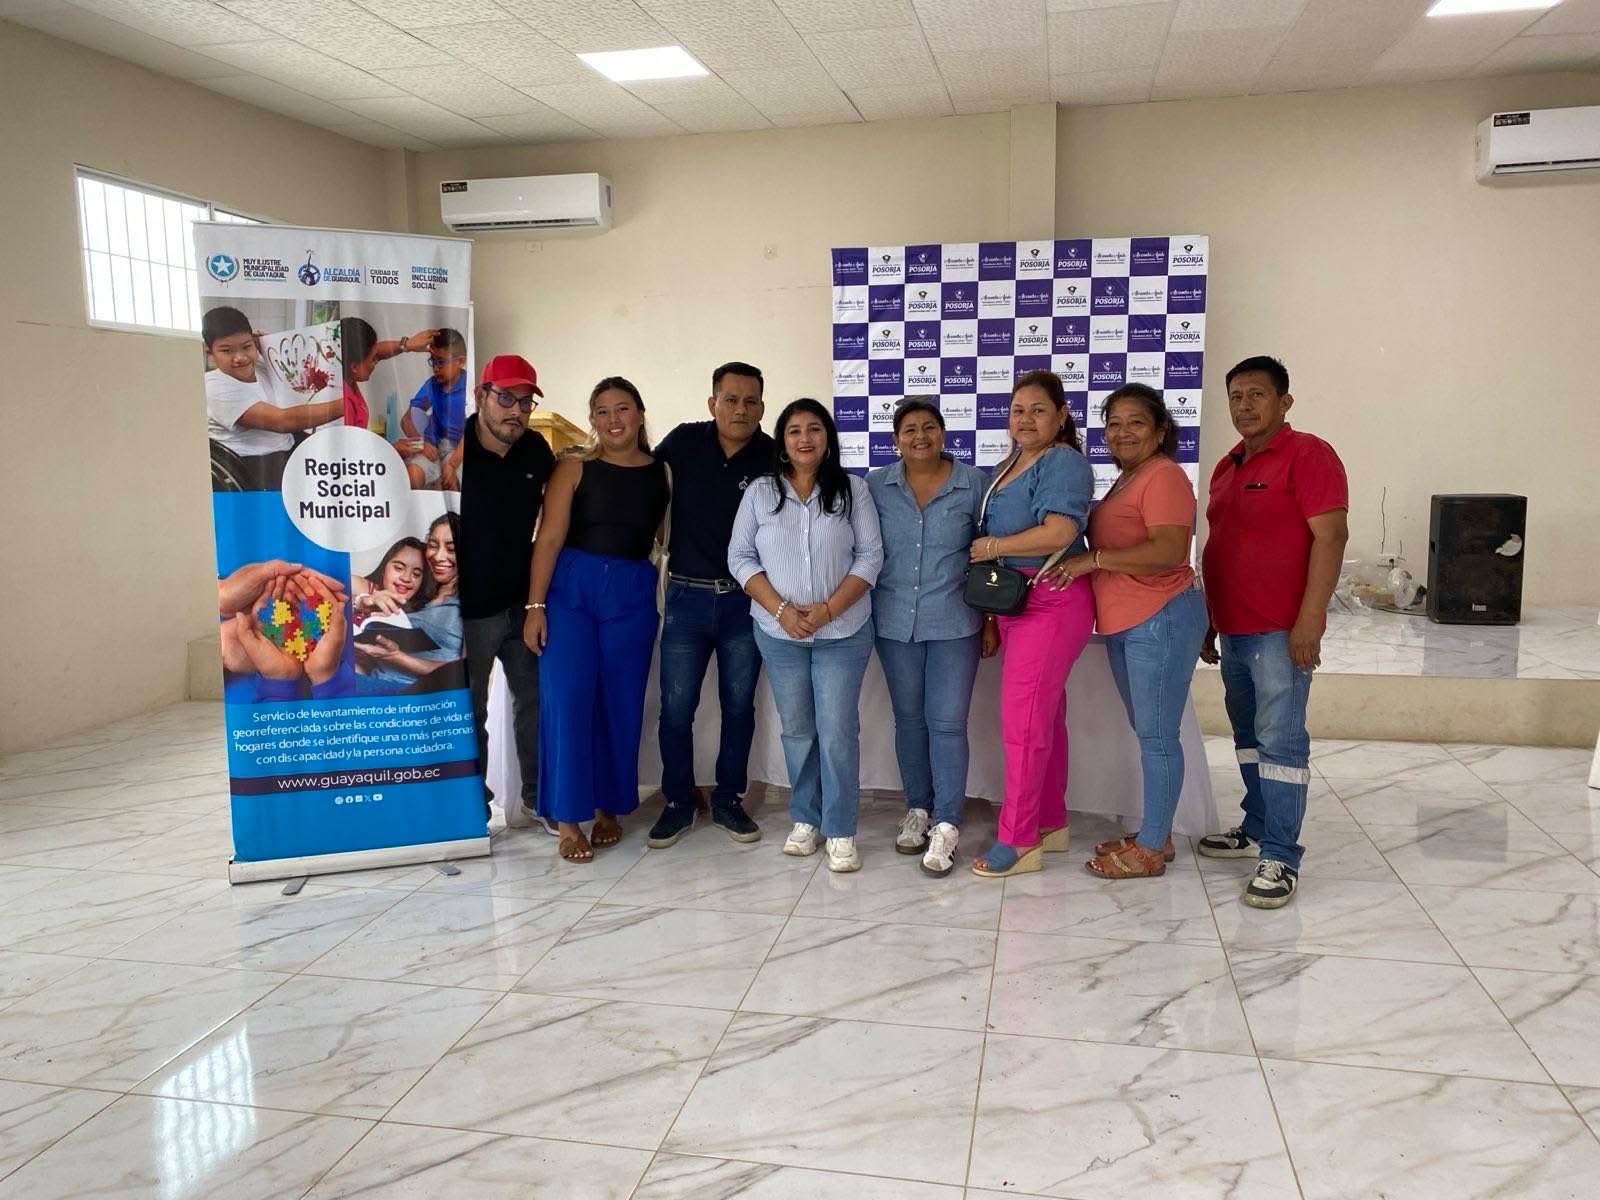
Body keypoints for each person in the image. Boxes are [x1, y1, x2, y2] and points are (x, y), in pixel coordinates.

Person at [1196, 355, 1348, 909]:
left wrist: (1310, 619)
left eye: (1257, 394)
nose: (1245, 405)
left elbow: (1331, 537)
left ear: (1284, 401)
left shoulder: (1308, 454)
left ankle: (1281, 855)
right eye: (1236, 396)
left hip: (1281, 631)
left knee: (1280, 741)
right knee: (1248, 736)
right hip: (1234, 627)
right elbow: (1222, 548)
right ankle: (1256, 825)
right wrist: (1210, 618)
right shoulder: (1227, 465)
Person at [1044, 384, 1207, 879]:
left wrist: (1093, 560)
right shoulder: (1129, 478)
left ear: (1160, 429)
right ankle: (1155, 833)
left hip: (1160, 616)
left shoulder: (1164, 475)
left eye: (1136, 422)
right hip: (1130, 620)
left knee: (1157, 737)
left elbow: (1168, 552)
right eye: (1114, 424)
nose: (1122, 432)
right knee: (1150, 732)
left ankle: (1152, 847)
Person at [728, 398, 883, 874]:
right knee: (797, 730)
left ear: (827, 439)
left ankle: (840, 828)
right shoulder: (760, 493)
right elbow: (740, 557)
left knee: (836, 731)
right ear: (782, 441)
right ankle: (805, 818)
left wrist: (828, 609)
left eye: (814, 429)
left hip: (843, 631)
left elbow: (870, 556)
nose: (804, 438)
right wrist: (781, 610)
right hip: (779, 633)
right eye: (794, 430)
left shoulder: (853, 490)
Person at [524, 377, 669, 863]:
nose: (613, 420)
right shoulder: (572, 467)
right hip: (571, 593)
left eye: (622, 408)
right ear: (592, 420)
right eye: (602, 411)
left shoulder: (663, 473)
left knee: (621, 704)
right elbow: (548, 539)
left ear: (640, 414)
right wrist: (535, 606)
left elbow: (663, 540)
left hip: (631, 592)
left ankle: (610, 809)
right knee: (567, 700)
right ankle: (568, 820)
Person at [967, 370, 1094, 878]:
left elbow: (1060, 531)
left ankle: (1018, 840)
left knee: (1023, 725)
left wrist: (994, 547)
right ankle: (1049, 821)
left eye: (1038, 410)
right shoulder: (1010, 465)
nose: (1026, 419)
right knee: (1044, 719)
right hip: (1017, 601)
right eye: (1018, 410)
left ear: (1061, 416)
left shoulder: (1063, 461)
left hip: (1051, 601)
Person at [646, 361, 774, 849]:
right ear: (712, 402)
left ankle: (727, 799)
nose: (741, 409)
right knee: (677, 709)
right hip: (686, 597)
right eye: (731, 399)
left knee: (739, 706)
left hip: (747, 602)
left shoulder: (773, 455)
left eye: (751, 401)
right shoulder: (683, 442)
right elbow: (640, 480)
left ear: (762, 407)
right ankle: (679, 802)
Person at [866, 398, 995, 877]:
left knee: (947, 724)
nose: (919, 436)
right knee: (909, 722)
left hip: (955, 622)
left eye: (928, 427)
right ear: (896, 439)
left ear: (943, 433)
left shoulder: (973, 484)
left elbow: (991, 556)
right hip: (893, 622)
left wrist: (990, 619)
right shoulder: (874, 486)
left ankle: (947, 822)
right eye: (909, 429)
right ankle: (917, 809)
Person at [456, 355, 556, 827]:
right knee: (469, 709)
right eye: (506, 398)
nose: (516, 411)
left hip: (524, 603)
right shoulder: (453, 447)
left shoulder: (537, 451)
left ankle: (539, 797)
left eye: (525, 402)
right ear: (481, 395)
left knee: (536, 703)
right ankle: (472, 806)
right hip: (467, 608)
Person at [203, 306, 342, 490]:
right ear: (210, 354)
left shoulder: (261, 366)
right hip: (251, 465)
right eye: (227, 351)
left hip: (287, 449)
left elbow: (302, 378)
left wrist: (267, 344)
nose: (240, 358)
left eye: (246, 346)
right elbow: (282, 421)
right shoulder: (213, 386)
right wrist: (346, 404)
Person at [354, 514, 467, 693]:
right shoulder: (418, 591)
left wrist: (397, 657)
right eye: (433, 545)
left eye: (451, 548)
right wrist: (363, 601)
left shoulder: (468, 599)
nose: (439, 556)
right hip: (375, 680)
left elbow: (465, 671)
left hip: (413, 694)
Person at [398, 328, 468, 489]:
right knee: (413, 475)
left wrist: (452, 464)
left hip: (457, 450)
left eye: (441, 362)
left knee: (451, 483)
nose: (435, 368)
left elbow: (472, 434)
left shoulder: (469, 388)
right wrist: (421, 444)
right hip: (431, 445)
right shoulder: (432, 385)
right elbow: (406, 420)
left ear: (460, 361)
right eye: (433, 361)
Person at [339, 317, 435, 429]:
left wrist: (407, 344)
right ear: (354, 367)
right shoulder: (344, 404)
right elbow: (407, 421)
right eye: (373, 359)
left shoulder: (346, 371)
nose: (376, 360)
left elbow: (377, 350)